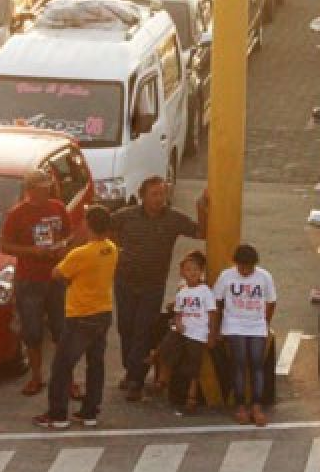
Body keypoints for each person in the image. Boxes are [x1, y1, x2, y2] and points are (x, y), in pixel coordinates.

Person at [111, 177, 208, 402]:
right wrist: (116, 250)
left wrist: (201, 207)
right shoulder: (126, 216)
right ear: (142, 195)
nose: (159, 199)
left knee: (143, 330)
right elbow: (104, 227)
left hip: (152, 285)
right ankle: (131, 369)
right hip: (125, 282)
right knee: (126, 328)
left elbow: (200, 233)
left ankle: (136, 378)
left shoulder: (173, 219)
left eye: (162, 194)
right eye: (154, 194)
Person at [34, 205, 119, 429]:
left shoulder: (81, 253)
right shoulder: (111, 249)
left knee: (62, 365)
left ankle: (58, 414)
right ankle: (90, 411)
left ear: (88, 224)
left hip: (81, 314)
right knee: (95, 364)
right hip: (103, 311)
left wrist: (70, 244)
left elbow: (57, 274)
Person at [0, 170, 70, 397]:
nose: (45, 191)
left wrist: (63, 248)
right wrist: (33, 251)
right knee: (32, 331)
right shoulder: (17, 214)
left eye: (47, 186)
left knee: (63, 330)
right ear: (30, 190)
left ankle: (65, 378)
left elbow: (69, 236)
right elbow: (5, 246)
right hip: (29, 280)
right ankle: (36, 377)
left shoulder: (58, 208)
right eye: (40, 188)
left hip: (56, 278)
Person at [213, 244, 276, 427]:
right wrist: (216, 329)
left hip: (256, 325)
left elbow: (271, 302)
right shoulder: (226, 276)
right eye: (242, 267)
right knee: (239, 363)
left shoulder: (264, 277)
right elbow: (216, 301)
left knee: (257, 363)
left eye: (249, 267)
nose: (246, 271)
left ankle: (257, 405)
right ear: (236, 264)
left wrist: (264, 322)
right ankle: (240, 405)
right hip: (234, 324)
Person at [161, 250, 216, 414]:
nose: (192, 273)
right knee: (168, 347)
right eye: (188, 270)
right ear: (182, 272)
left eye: (195, 269)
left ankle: (191, 396)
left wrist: (211, 334)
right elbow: (178, 313)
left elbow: (212, 313)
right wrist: (178, 323)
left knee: (194, 366)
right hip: (183, 331)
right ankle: (163, 378)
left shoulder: (205, 291)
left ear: (201, 272)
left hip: (198, 334)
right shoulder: (182, 292)